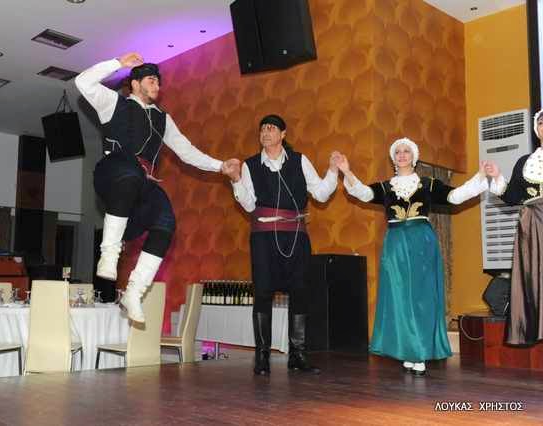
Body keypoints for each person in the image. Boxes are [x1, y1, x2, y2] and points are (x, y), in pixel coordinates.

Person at [75, 52, 239, 323]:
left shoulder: (163, 119)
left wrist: (220, 166)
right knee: (129, 173)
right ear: (135, 84)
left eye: (159, 82)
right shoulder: (113, 103)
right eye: (151, 80)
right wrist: (118, 64)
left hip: (141, 184)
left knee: (166, 220)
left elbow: (187, 151)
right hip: (111, 174)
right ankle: (109, 254)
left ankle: (134, 291)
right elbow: (82, 82)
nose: (157, 86)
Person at [334, 138, 501, 376]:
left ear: (414, 157)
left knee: (422, 297)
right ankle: (407, 349)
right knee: (399, 298)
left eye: (406, 151)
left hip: (422, 243)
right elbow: (364, 193)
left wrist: (479, 177)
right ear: (393, 158)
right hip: (395, 246)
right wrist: (347, 171)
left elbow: (455, 197)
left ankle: (419, 351)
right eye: (398, 152)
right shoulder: (386, 187)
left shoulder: (428, 184)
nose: (402, 154)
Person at [228, 114, 338, 375]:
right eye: (262, 129)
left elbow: (321, 194)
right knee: (263, 292)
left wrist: (333, 171)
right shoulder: (250, 165)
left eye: (271, 128)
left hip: (296, 235)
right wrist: (235, 179)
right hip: (264, 237)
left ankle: (298, 355)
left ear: (283, 134)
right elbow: (249, 205)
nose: (265, 133)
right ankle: (262, 358)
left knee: (300, 291)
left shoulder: (299, 160)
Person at [490, 109, 543, 346]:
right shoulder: (525, 162)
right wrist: (497, 176)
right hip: (533, 226)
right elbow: (512, 197)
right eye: (541, 123)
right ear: (536, 129)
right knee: (535, 282)